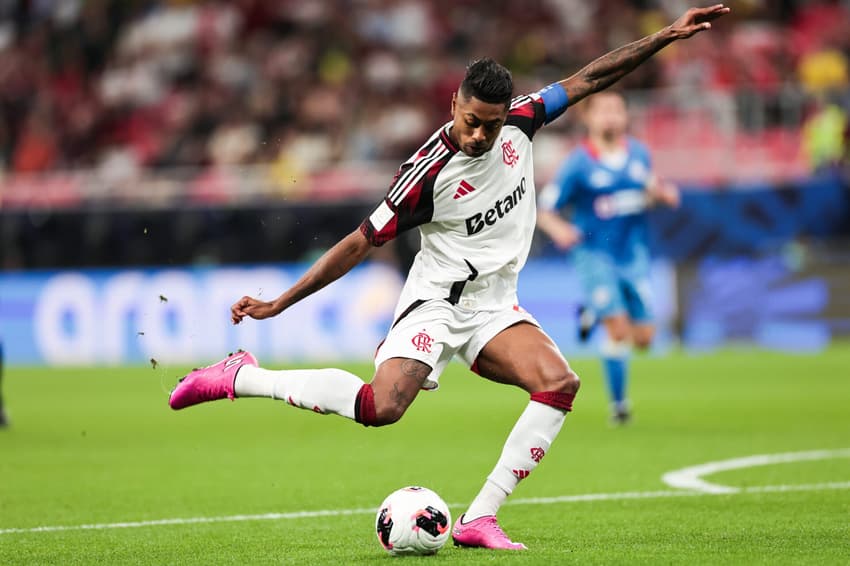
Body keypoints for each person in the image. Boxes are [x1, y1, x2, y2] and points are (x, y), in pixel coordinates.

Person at [169, 5, 729, 550]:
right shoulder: (426, 176)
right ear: (454, 102)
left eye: (490, 124)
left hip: (496, 304)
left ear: (507, 112)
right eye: (470, 122)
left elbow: (590, 77)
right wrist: (281, 303)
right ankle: (242, 376)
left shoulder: (524, 120)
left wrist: (667, 35)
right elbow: (359, 242)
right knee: (381, 408)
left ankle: (479, 518)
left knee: (560, 384)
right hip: (436, 303)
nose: (479, 136)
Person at [536, 90, 681, 425]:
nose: (611, 117)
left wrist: (663, 194)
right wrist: (559, 229)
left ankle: (591, 311)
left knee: (644, 339)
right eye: (603, 111)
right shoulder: (578, 163)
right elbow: (546, 209)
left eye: (617, 110)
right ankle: (619, 406)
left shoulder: (639, 155)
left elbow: (652, 189)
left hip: (633, 255)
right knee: (617, 331)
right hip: (594, 255)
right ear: (588, 118)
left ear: (626, 116)